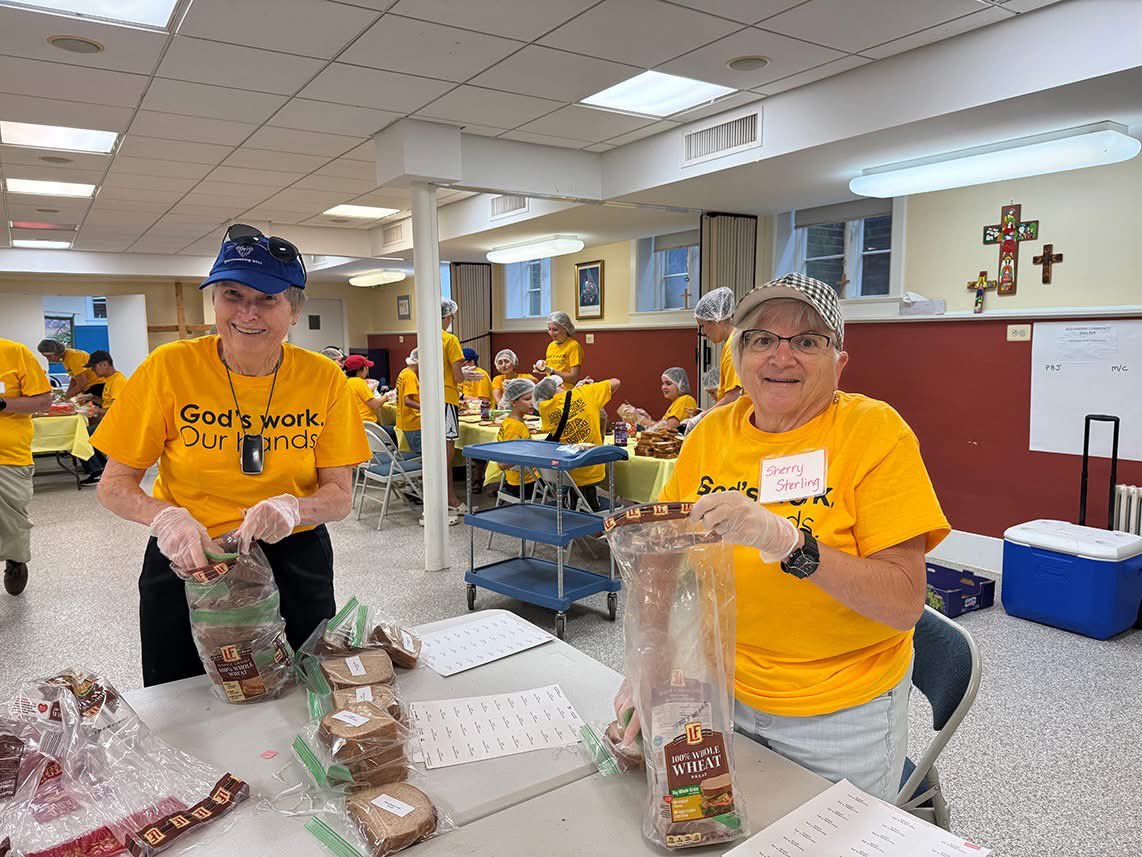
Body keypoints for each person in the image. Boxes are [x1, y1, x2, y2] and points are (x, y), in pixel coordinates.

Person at [623, 272, 949, 801]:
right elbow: (664, 552)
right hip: (718, 689)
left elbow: (903, 603)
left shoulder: (875, 434)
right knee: (720, 833)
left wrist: (792, 546)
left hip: (838, 710)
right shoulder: (708, 433)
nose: (781, 356)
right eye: (763, 339)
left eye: (807, 341)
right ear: (739, 353)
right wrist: (650, 659)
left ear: (839, 361)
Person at [92, 224, 370, 687]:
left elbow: (339, 496)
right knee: (181, 691)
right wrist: (167, 519)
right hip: (191, 556)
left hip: (293, 553)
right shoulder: (169, 368)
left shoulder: (324, 378)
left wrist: (293, 507)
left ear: (295, 310)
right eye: (232, 294)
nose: (248, 312)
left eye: (267, 299)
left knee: (303, 682)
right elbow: (114, 485)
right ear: (214, 302)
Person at [0, 338, 52, 596]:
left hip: (8, 457)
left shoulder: (14, 352)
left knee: (11, 521)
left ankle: (15, 559)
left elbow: (44, 401)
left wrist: (2, 404)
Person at [533, 373, 620, 511]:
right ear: (561, 386)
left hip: (564, 470)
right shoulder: (585, 393)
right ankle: (587, 515)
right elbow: (616, 381)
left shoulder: (545, 409)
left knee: (576, 492)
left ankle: (573, 506)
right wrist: (590, 389)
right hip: (591, 467)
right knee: (587, 494)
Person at [79, 349, 128, 485]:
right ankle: (101, 467)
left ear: (104, 364)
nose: (93, 371)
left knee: (82, 436)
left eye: (94, 367)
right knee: (85, 433)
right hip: (111, 422)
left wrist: (96, 410)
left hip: (118, 424)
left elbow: (119, 410)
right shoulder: (110, 380)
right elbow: (108, 403)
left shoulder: (117, 381)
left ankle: (96, 470)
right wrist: (92, 398)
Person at [694, 286, 743, 410]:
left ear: (716, 320)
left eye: (703, 326)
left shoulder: (733, 346)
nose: (703, 332)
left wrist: (703, 417)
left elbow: (734, 395)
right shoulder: (733, 342)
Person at [440, 300, 466, 514]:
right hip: (448, 398)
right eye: (451, 317)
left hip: (431, 400)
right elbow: (458, 375)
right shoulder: (450, 340)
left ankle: (438, 498)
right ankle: (451, 501)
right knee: (447, 455)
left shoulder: (425, 338)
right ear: (446, 317)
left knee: (435, 452)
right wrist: (468, 376)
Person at [494, 377, 539, 500]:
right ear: (514, 402)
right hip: (524, 484)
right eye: (527, 399)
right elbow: (502, 464)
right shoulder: (513, 427)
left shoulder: (513, 422)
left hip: (522, 479)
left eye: (533, 398)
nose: (532, 403)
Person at [533, 311, 583, 386]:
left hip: (565, 390)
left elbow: (573, 378)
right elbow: (553, 366)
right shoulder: (551, 346)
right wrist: (542, 366)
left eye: (555, 330)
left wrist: (552, 371)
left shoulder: (573, 346)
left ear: (565, 328)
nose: (551, 333)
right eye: (549, 329)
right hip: (550, 388)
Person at [344, 354, 387, 425]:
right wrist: (386, 396)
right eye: (366, 368)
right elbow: (375, 404)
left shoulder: (347, 382)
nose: (367, 371)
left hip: (354, 422)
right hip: (366, 423)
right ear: (359, 370)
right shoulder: (358, 382)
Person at [395, 349, 422, 455]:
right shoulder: (410, 376)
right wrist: (426, 408)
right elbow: (407, 400)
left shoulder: (404, 372)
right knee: (421, 454)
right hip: (413, 422)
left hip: (405, 420)